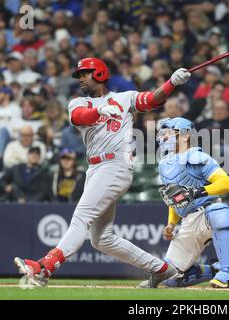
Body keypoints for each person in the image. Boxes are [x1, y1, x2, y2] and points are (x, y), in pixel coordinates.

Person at [14, 57, 191, 288]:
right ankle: (161, 269)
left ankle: (45, 267)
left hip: (116, 166)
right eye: (78, 75)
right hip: (95, 168)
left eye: (84, 74)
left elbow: (151, 100)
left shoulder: (124, 98)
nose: (80, 79)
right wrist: (99, 111)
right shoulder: (77, 103)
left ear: (99, 74)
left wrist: (171, 83)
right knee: (102, 240)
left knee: (81, 218)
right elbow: (79, 117)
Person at [156, 117, 229, 288]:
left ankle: (227, 271)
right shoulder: (164, 163)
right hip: (187, 221)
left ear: (185, 136)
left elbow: (227, 184)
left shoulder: (197, 156)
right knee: (169, 279)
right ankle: (214, 270)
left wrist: (197, 192)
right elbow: (175, 198)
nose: (164, 137)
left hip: (206, 214)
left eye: (169, 133)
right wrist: (171, 224)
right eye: (162, 134)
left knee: (218, 211)